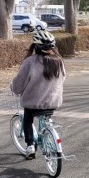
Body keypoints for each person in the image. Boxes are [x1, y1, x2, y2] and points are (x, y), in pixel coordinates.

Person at [10, 29, 66, 159]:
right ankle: (48, 135)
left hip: (33, 103)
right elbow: (62, 79)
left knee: (28, 119)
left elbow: (19, 83)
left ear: (35, 46)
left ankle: (30, 145)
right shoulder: (59, 61)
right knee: (46, 118)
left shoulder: (30, 62)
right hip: (53, 102)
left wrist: (14, 88)